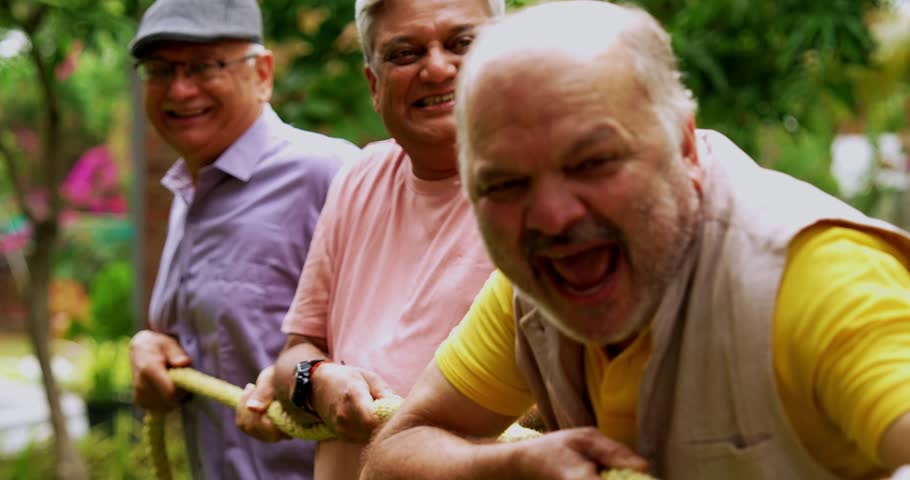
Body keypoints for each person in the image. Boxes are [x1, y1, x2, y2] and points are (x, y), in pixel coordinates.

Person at [360, 2, 910, 479]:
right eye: (505, 185)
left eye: (593, 162)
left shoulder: (814, 276)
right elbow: (392, 455)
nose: (552, 218)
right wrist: (513, 465)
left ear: (685, 147)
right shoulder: (529, 292)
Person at [233, 0, 505, 478]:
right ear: (374, 86)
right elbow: (296, 354)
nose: (437, 68)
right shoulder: (359, 177)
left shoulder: (553, 187)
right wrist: (315, 381)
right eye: (405, 53)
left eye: (462, 43)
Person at [126, 0, 360, 478]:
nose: (179, 89)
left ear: (263, 73)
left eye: (204, 66)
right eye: (160, 69)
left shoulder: (331, 174)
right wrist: (154, 347)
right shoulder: (189, 190)